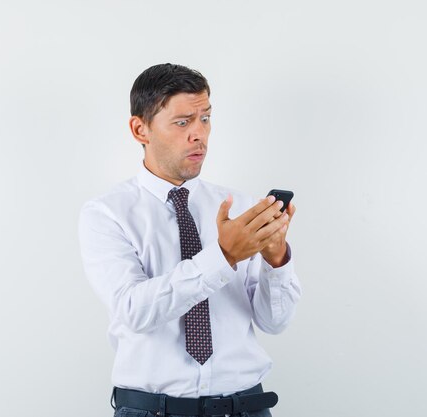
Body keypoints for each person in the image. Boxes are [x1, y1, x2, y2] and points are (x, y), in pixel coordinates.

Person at [78, 63, 302, 417]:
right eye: (183, 122)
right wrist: (223, 256)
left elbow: (275, 322)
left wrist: (276, 261)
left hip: (245, 408)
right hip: (152, 411)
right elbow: (133, 310)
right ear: (140, 129)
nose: (199, 134)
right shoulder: (107, 214)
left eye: (206, 119)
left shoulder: (239, 208)